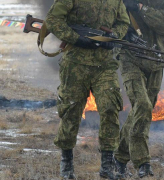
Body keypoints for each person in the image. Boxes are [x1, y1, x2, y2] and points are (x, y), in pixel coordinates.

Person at [44, 0, 130, 179]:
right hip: (76, 64)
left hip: (105, 65)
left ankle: (107, 165)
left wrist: (113, 37)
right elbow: (53, 20)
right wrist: (76, 38)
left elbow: (123, 22)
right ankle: (66, 164)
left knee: (110, 107)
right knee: (71, 112)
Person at [114, 0, 164, 178]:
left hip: (156, 59)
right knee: (143, 105)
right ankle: (142, 162)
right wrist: (124, 30)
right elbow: (106, 14)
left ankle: (120, 158)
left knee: (142, 110)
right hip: (130, 56)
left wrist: (140, 8)